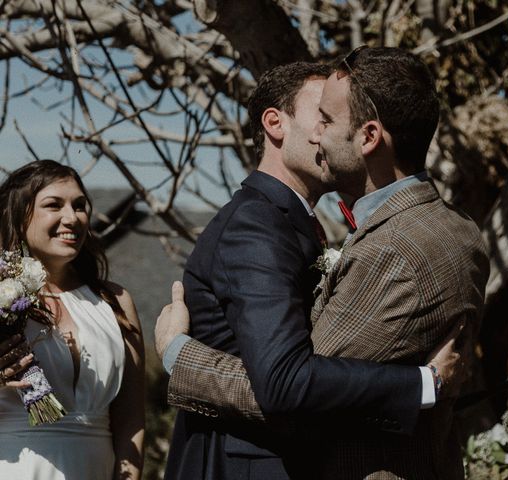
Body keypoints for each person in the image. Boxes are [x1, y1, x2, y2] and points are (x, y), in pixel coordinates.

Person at [157, 59, 476, 480]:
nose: (322, 134)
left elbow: (295, 383)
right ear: (275, 124)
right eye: (318, 117)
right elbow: (288, 384)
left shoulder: (386, 241)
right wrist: (422, 384)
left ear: (369, 137)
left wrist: (179, 354)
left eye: (329, 120)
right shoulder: (257, 225)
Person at [0, 160, 145, 480]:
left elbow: (130, 417)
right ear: (19, 213)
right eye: (54, 205)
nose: (72, 217)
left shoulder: (116, 302)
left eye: (80, 206)